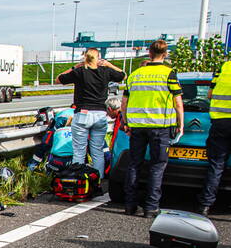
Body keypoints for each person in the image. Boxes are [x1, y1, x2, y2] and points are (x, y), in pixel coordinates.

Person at [120, 40, 184, 217]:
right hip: (160, 127)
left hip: (137, 127)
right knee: (157, 166)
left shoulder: (135, 75)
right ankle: (151, 207)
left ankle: (130, 205)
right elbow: (178, 103)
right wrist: (180, 125)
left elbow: (124, 103)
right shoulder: (169, 74)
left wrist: (126, 123)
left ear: (149, 53)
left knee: (134, 164)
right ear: (165, 54)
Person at [55, 48, 127, 175]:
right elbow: (123, 75)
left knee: (79, 151)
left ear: (85, 58)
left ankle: (81, 178)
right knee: (97, 151)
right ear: (98, 58)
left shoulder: (79, 72)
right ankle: (98, 179)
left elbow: (58, 79)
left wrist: (75, 67)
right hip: (100, 114)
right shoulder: (105, 71)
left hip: (83, 113)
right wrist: (108, 64)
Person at [196, 58, 231, 215]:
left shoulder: (223, 67)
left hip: (220, 121)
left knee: (216, 165)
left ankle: (205, 205)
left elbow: (210, 94)